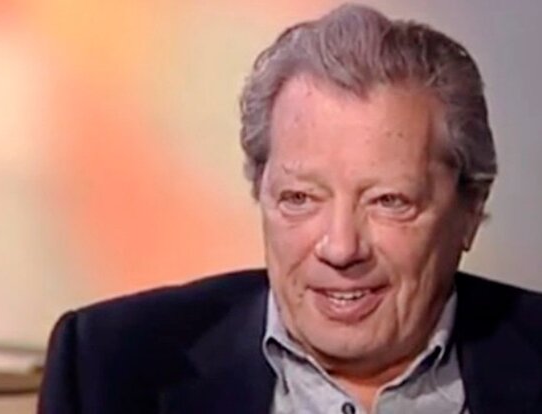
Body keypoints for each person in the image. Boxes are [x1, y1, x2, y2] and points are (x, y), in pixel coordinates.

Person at [38, 4, 542, 414]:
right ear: (261, 191)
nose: (340, 248)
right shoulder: (112, 367)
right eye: (300, 199)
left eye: (389, 201)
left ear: (470, 209)